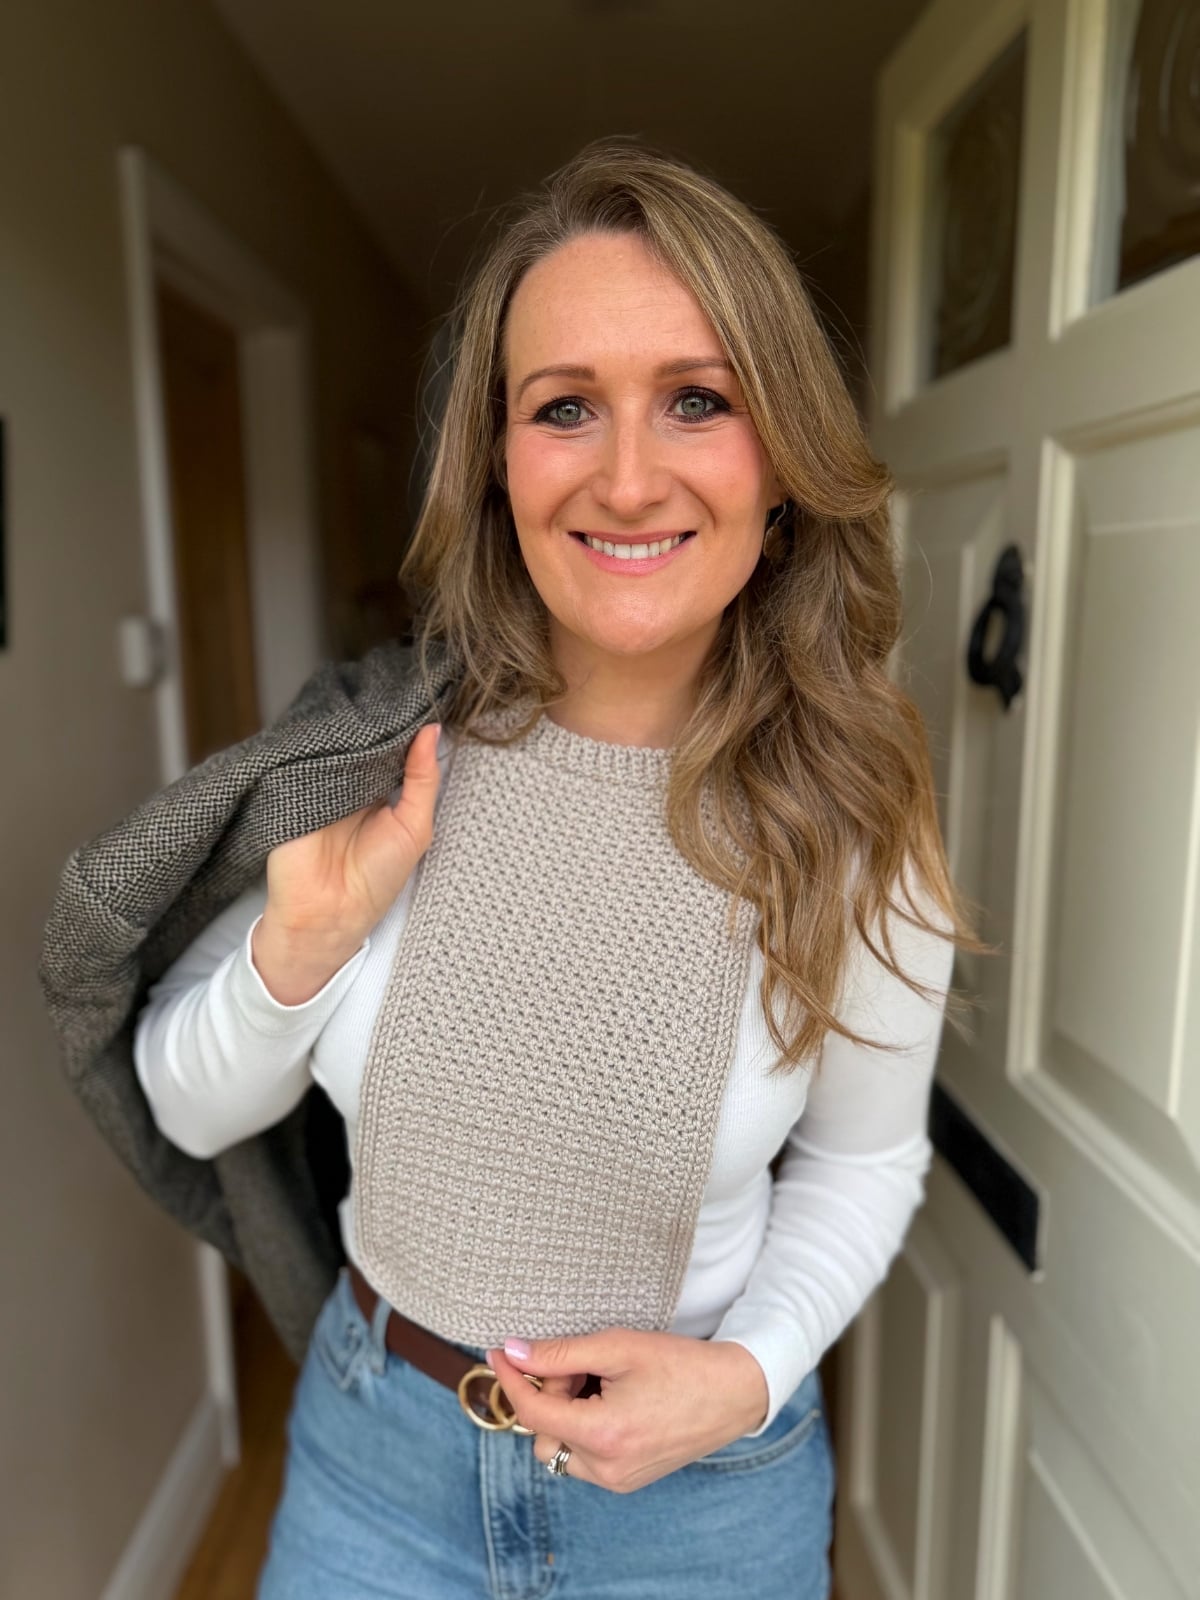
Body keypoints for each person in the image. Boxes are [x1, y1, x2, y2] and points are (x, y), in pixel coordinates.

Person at [124, 139, 979, 1598]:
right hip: (372, 1474)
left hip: (708, 1511)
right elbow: (185, 1101)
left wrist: (751, 1375)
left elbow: (866, 1158)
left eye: (697, 402)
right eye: (565, 407)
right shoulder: (362, 754)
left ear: (778, 467)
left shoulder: (852, 809)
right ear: (499, 461)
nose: (630, 478)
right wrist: (299, 950)